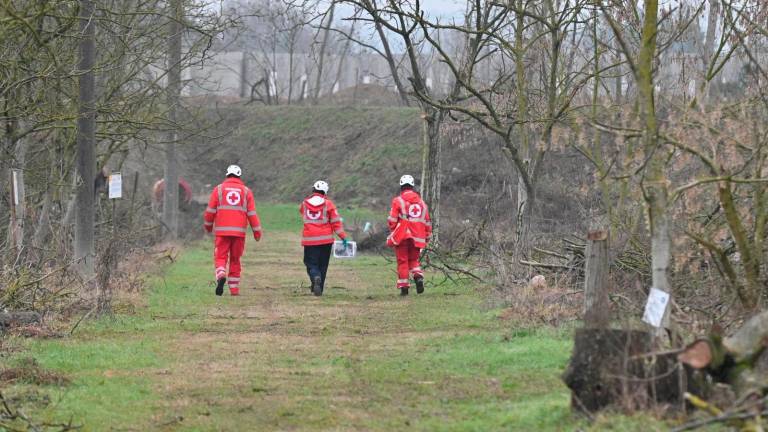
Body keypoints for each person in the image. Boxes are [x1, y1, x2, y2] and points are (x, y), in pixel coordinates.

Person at [203, 165, 262, 296]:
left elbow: (210, 211)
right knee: (235, 259)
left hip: (222, 232)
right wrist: (257, 232)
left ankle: (221, 274)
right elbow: (252, 214)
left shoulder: (218, 190)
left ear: (227, 175)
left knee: (220, 256)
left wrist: (208, 226)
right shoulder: (246, 192)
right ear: (239, 176)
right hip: (239, 233)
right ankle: (234, 289)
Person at [300, 180, 348, 296]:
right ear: (325, 192)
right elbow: (336, 223)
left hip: (310, 240)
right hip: (326, 240)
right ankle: (319, 289)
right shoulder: (329, 204)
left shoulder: (304, 204)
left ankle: (315, 277)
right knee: (323, 264)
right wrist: (343, 237)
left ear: (313, 190)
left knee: (311, 264)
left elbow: (301, 211)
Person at [387, 175, 432, 296]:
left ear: (401, 186)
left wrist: (394, 230)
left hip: (402, 236)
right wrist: (427, 236)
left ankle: (404, 288)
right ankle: (418, 276)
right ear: (412, 186)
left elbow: (392, 220)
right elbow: (427, 222)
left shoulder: (398, 201)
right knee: (414, 260)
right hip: (417, 237)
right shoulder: (422, 203)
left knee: (403, 262)